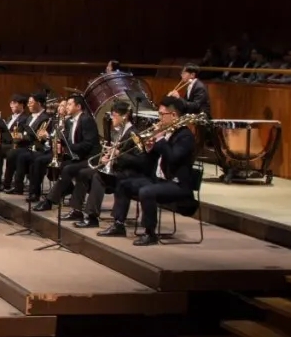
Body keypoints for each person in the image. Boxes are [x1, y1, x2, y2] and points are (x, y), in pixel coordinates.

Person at [98, 96, 199, 246]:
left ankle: (150, 233)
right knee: (124, 183)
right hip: (158, 180)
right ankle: (118, 224)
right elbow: (150, 160)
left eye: (162, 114)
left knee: (147, 191)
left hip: (177, 184)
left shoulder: (185, 136)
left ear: (173, 115)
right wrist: (149, 147)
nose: (159, 118)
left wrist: (160, 140)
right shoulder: (166, 133)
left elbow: (173, 158)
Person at [73, 102, 148, 229]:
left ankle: (93, 217)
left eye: (114, 115)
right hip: (117, 169)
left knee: (99, 177)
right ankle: (78, 210)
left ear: (124, 116)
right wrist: (107, 157)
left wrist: (118, 155)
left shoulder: (134, 134)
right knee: (85, 173)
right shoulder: (120, 131)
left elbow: (140, 160)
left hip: (129, 173)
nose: (112, 118)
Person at [32, 94, 101, 212]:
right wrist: (61, 143)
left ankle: (49, 201)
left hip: (90, 158)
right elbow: (68, 140)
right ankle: (66, 190)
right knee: (59, 165)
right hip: (77, 156)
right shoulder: (69, 121)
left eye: (69, 104)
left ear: (78, 106)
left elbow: (88, 144)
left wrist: (70, 147)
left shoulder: (86, 120)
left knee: (68, 169)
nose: (66, 107)